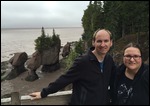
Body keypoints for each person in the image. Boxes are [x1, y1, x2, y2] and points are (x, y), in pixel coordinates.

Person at [29, 29, 116, 105]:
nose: (103, 44)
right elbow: (65, 79)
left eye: (106, 41)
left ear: (111, 42)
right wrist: (43, 93)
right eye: (99, 41)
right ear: (93, 42)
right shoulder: (83, 62)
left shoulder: (109, 60)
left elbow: (115, 79)